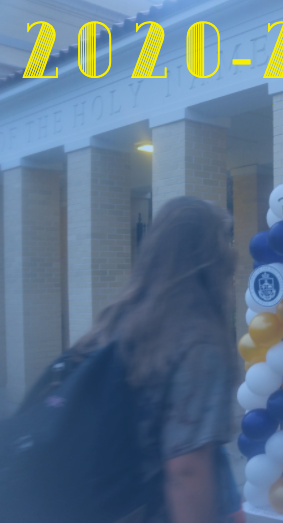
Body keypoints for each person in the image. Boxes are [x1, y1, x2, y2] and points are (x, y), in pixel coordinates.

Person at [72, 197, 239, 523]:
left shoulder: (117, 319)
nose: (231, 253)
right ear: (210, 254)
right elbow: (186, 471)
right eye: (225, 241)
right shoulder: (197, 342)